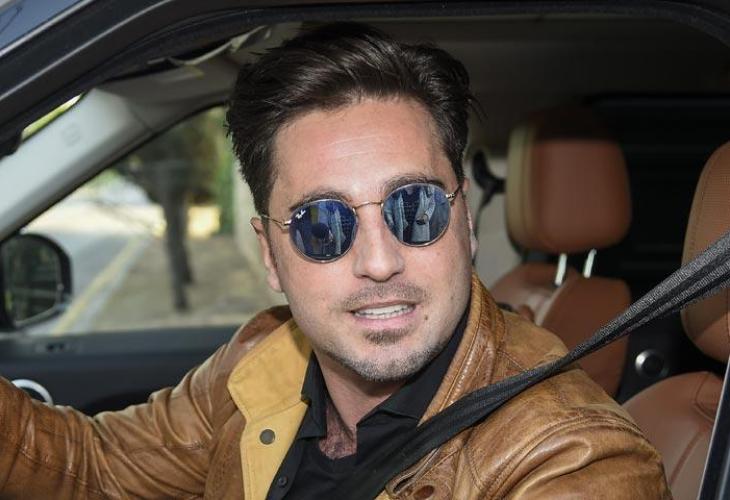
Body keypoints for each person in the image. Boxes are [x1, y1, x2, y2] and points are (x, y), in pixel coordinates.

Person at [0, 23, 669, 499]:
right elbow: (89, 467)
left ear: (464, 223)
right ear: (270, 255)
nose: (379, 262)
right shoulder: (264, 360)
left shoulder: (569, 459)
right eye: (323, 224)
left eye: (414, 208)